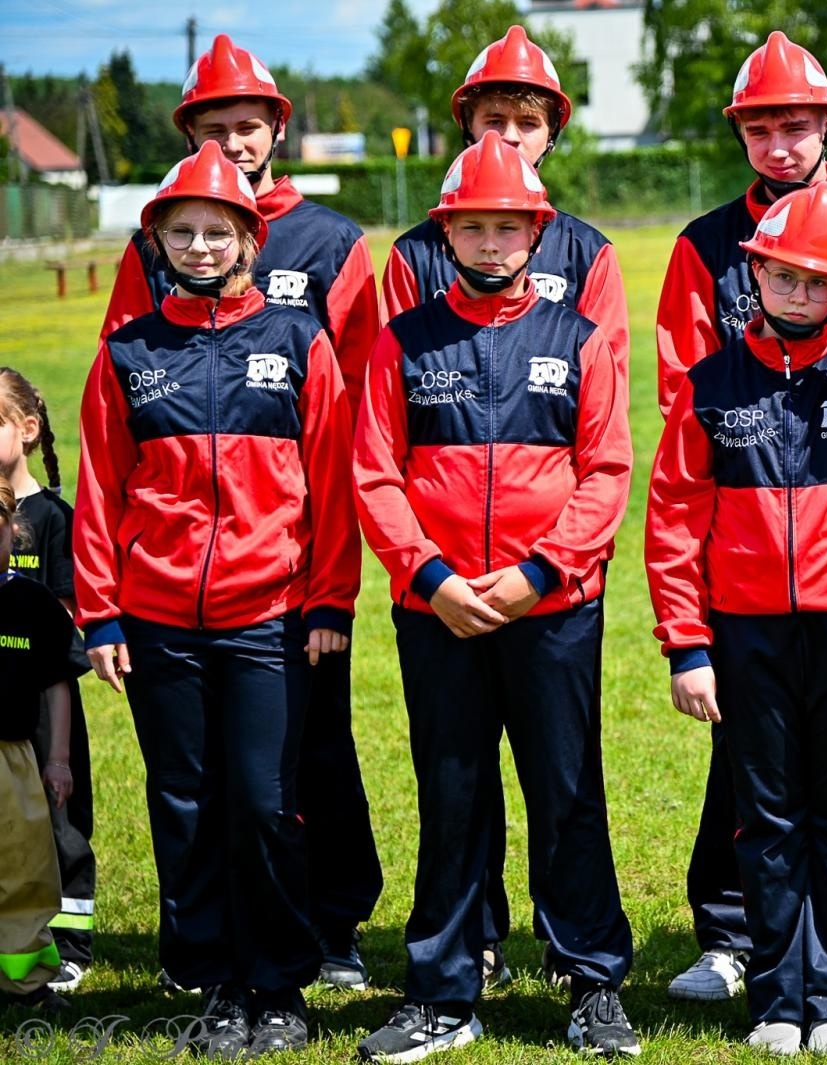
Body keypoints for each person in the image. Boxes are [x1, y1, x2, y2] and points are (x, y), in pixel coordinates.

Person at [654, 28, 827, 1001]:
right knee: (749, 741)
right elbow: (684, 394)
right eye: (761, 128)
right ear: (741, 135)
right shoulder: (703, 246)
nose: (780, 145)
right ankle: (732, 932)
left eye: (797, 125)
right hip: (745, 547)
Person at [99, 33, 383, 991]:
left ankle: (330, 925)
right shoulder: (155, 249)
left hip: (290, 571)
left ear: (275, 129)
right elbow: (122, 418)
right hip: (170, 584)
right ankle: (214, 955)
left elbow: (355, 408)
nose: (234, 139)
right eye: (214, 125)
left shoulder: (334, 242)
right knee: (199, 782)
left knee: (308, 760)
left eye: (247, 124)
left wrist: (331, 583)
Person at [353, 131, 638, 1061]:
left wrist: (538, 573)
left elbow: (605, 471)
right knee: (452, 794)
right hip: (436, 612)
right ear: (446, 236)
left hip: (551, 608)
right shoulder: (402, 340)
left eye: (506, 227)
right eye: (470, 227)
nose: (489, 243)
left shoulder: (579, 337)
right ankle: (443, 988)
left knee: (566, 793)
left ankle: (592, 981)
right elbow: (375, 472)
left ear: (534, 232)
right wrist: (430, 577)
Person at [0, 368, 95, 992]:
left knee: (59, 824)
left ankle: (71, 942)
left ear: (28, 429)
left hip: (43, 694)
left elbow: (65, 619)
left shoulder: (53, 517)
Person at [0, 472, 80, 1015]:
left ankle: (24, 983)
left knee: (23, 871)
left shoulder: (31, 601)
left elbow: (57, 683)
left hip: (15, 758)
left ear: (12, 530)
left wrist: (57, 760)